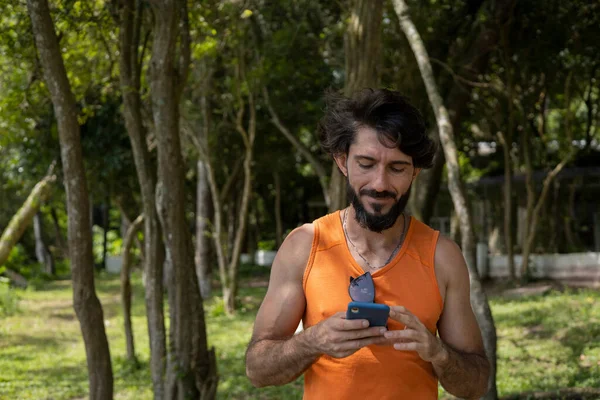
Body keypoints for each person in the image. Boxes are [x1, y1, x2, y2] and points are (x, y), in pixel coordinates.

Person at [245, 88, 490, 399]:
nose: (380, 184)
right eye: (366, 163)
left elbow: (476, 384)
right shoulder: (303, 246)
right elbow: (257, 370)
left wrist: (438, 351)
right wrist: (313, 340)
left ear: (414, 171)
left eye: (397, 168)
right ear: (343, 161)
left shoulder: (442, 257)